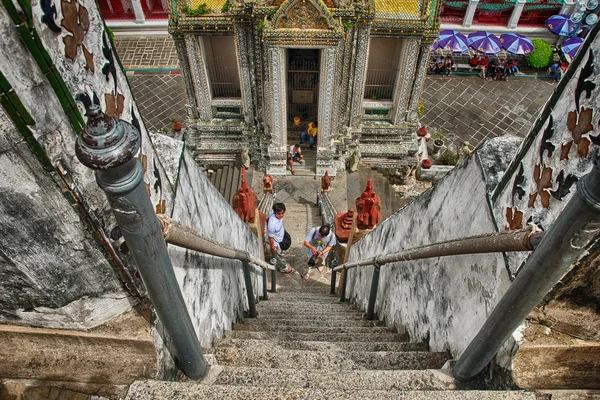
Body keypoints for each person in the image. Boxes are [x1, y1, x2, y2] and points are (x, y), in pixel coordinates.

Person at [268, 203, 293, 273]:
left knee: (277, 254)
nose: (281, 215)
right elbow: (271, 238)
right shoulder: (272, 225)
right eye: (279, 214)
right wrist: (273, 247)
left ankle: (274, 257)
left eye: (282, 213)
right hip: (277, 242)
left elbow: (267, 217)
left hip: (282, 234)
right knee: (280, 256)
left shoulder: (273, 212)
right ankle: (283, 268)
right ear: (275, 212)